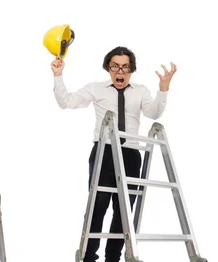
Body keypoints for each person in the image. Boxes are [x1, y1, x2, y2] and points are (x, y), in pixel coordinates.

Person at [51, 46, 177, 262]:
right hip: (104, 152)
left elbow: (153, 112)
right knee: (98, 204)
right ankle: (89, 256)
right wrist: (58, 75)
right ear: (108, 68)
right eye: (115, 66)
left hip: (130, 154)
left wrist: (163, 90)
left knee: (124, 210)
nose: (120, 72)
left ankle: (113, 258)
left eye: (125, 67)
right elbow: (67, 102)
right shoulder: (96, 88)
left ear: (132, 70)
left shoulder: (141, 91)